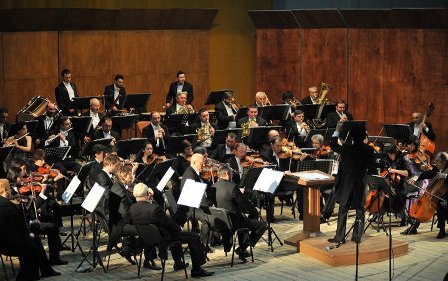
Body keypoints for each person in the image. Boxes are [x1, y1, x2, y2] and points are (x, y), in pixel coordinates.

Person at [131, 183, 214, 277]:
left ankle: (178, 263)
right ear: (147, 193)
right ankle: (196, 269)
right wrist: (178, 227)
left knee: (176, 234)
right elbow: (168, 222)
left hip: (149, 238)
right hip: (162, 239)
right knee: (194, 237)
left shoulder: (133, 208)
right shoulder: (154, 208)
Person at [0, 179, 61, 280]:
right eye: (9, 188)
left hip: (5, 240)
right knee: (32, 246)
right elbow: (20, 228)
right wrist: (30, 230)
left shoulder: (5, 204)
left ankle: (44, 271)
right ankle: (27, 276)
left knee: (35, 240)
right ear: (5, 190)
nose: (11, 190)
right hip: (8, 243)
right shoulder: (8, 208)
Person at [328, 123, 374, 244]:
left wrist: (337, 130)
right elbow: (372, 167)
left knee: (343, 209)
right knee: (360, 209)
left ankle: (340, 237)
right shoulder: (369, 150)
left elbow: (332, 144)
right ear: (364, 136)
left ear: (352, 136)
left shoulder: (347, 148)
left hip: (347, 184)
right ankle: (357, 236)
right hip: (361, 183)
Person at [214, 165, 266, 262]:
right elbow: (245, 204)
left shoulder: (214, 186)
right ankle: (242, 249)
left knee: (245, 220)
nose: (232, 175)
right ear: (226, 174)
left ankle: (242, 247)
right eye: (231, 173)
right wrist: (255, 209)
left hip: (220, 222)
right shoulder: (233, 187)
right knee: (262, 225)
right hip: (233, 222)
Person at [402, 151, 448, 239]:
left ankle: (442, 231)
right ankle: (414, 227)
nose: (435, 163)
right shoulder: (437, 168)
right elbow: (427, 174)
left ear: (444, 162)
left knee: (441, 205)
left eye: (437, 161)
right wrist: (416, 177)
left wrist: (446, 176)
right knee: (423, 203)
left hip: (446, 197)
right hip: (437, 195)